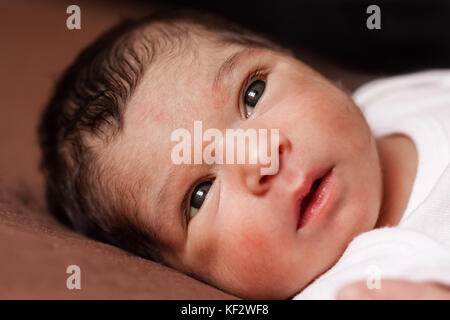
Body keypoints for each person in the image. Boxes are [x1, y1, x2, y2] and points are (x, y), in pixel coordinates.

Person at [38, 8, 450, 299]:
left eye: (253, 95)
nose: (259, 160)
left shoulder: (394, 99)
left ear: (297, 61)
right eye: (199, 194)